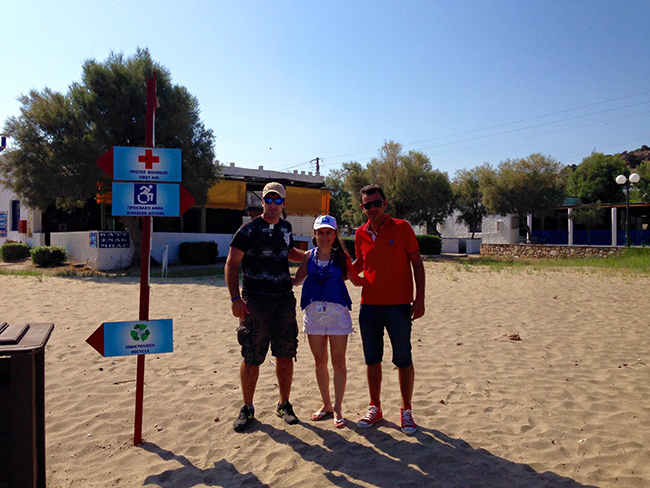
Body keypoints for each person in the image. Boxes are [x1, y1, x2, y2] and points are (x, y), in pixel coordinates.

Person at [225, 182, 305, 432]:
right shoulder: (247, 230)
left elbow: (288, 252)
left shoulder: (286, 227)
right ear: (262, 202)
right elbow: (231, 264)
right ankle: (248, 407)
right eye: (268, 199)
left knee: (285, 353)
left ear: (284, 203)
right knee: (251, 355)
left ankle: (284, 405)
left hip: (283, 301)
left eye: (277, 200)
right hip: (255, 302)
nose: (273, 204)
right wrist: (235, 299)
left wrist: (311, 256)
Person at [353, 184, 425, 435]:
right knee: (372, 359)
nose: (373, 208)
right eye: (368, 205)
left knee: (403, 359)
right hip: (369, 306)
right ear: (362, 208)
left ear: (385, 204)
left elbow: (417, 263)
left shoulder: (402, 227)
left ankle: (406, 410)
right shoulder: (360, 233)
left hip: (399, 306)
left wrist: (419, 299)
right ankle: (375, 407)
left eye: (377, 203)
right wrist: (337, 269)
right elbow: (360, 264)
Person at [291, 215, 364, 428]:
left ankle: (338, 408)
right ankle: (326, 405)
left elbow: (356, 280)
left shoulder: (342, 257)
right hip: (313, 313)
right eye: (320, 232)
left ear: (335, 234)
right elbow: (297, 280)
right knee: (320, 362)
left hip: (337, 313)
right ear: (314, 234)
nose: (324, 237)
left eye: (328, 232)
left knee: (338, 362)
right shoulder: (308, 256)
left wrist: (380, 274)